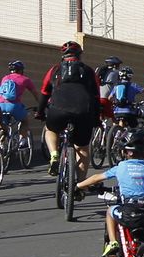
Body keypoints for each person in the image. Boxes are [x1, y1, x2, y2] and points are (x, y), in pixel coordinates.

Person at [77, 128, 144, 257]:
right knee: (141, 235)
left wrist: (78, 186)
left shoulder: (121, 166)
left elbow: (96, 178)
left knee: (110, 211)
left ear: (126, 152)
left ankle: (113, 242)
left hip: (128, 209)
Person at [39, 41, 100, 184]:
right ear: (79, 55)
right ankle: (80, 184)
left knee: (50, 129)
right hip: (83, 112)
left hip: (57, 110)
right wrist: (96, 118)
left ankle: (54, 154)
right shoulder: (89, 71)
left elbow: (44, 92)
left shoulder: (54, 70)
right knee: (82, 148)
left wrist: (40, 112)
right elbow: (96, 96)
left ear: (63, 56)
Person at [0, 61, 39, 132]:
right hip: (13, 106)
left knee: (4, 125)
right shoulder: (25, 79)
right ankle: (22, 139)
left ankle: (2, 137)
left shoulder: (5, 78)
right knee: (25, 121)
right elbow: (35, 94)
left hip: (0, 105)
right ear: (21, 70)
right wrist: (41, 104)